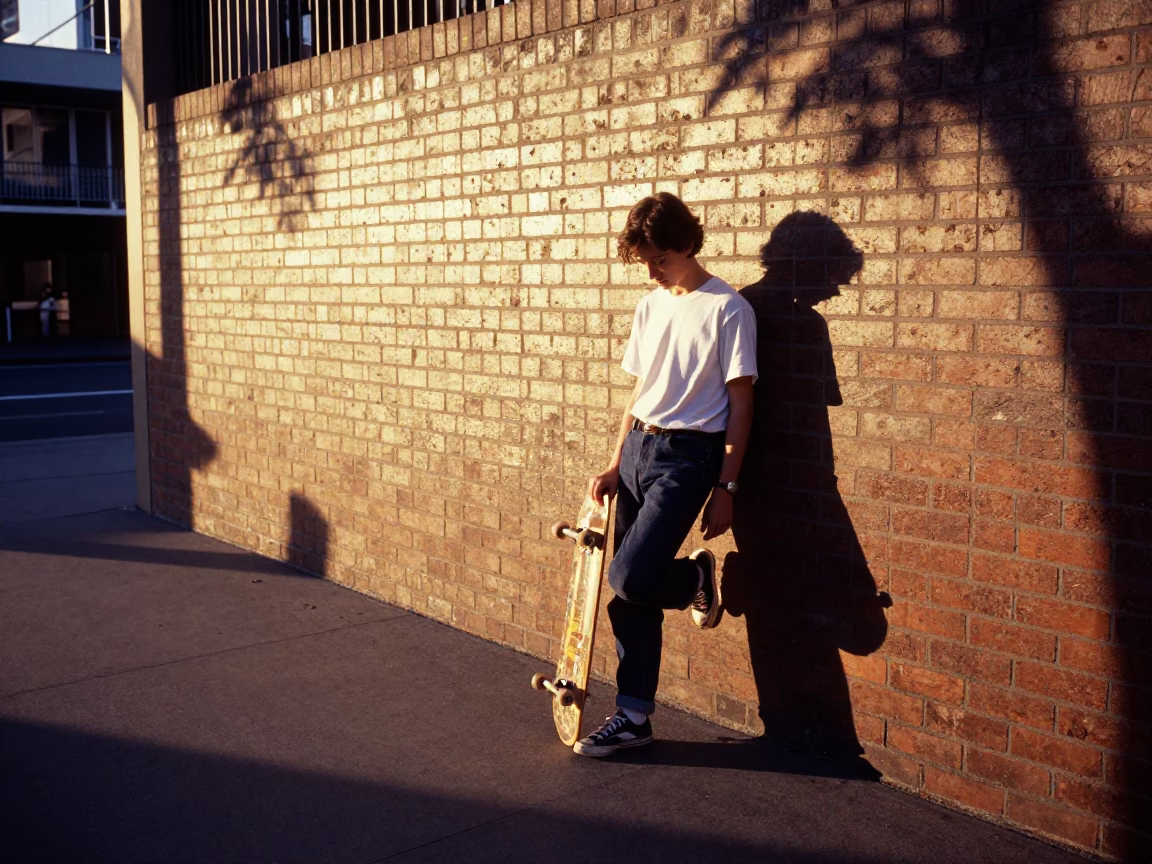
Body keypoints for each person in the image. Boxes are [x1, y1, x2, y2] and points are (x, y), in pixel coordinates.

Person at [573, 192, 758, 757]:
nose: (651, 271)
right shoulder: (650, 306)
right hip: (636, 450)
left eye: (659, 259)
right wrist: (613, 460)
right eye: (643, 261)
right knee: (629, 595)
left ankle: (694, 580)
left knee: (627, 577)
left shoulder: (729, 309)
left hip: (688, 458)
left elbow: (742, 403)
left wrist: (727, 488)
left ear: (687, 243)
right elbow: (640, 389)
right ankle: (634, 717)